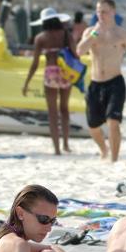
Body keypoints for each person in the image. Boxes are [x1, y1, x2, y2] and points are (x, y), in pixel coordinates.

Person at [77, 0, 126, 162]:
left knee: (113, 122)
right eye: (98, 11)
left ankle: (114, 159)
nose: (100, 15)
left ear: (113, 12)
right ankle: (104, 149)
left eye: (104, 11)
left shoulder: (122, 34)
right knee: (93, 126)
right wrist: (94, 34)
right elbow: (80, 51)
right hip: (95, 83)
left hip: (115, 82)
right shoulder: (91, 32)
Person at [22, 8, 77, 155]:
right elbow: (75, 55)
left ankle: (57, 149)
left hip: (50, 73)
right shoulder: (67, 35)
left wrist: (27, 83)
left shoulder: (41, 38)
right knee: (64, 110)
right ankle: (66, 144)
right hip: (65, 73)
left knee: (52, 113)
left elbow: (34, 64)